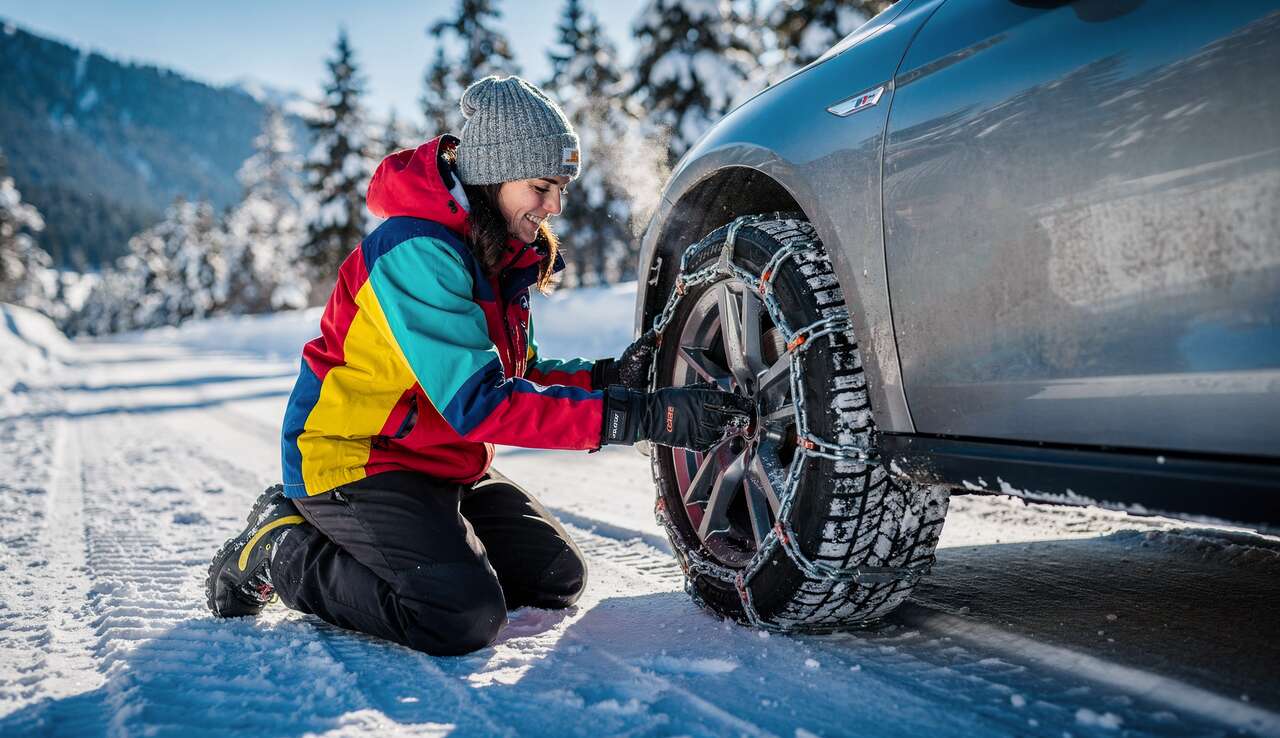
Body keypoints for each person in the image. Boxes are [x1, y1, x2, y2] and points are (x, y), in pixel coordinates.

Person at [205, 75, 753, 656]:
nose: (554, 207)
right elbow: (480, 403)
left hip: (444, 464)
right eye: (541, 186)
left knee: (553, 580)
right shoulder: (416, 252)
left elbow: (519, 373)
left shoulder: (495, 251)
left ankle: (423, 536)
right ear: (493, 174)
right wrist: (638, 418)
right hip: (356, 457)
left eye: (560, 188)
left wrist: (607, 378)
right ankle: (279, 545)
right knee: (458, 615)